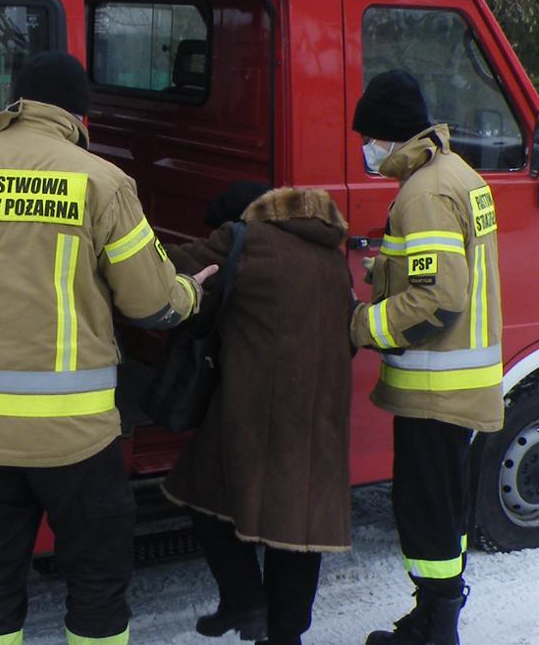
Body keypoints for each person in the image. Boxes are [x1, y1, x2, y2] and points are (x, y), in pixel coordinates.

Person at [0, 51, 215, 645]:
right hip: (76, 438)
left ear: (12, 105)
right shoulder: (102, 181)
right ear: (79, 115)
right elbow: (150, 304)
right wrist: (191, 293)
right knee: (96, 579)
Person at [162, 183, 357, 645]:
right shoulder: (333, 254)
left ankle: (244, 599)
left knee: (203, 495)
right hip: (321, 413)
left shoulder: (242, 240)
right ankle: (283, 633)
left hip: (255, 408)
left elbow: (166, 266)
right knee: (299, 526)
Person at [348, 71, 505, 645]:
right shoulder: (457, 175)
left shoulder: (422, 194)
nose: (366, 147)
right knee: (444, 504)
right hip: (461, 382)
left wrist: (364, 324)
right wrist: (386, 272)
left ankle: (435, 629)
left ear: (390, 134)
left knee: (426, 510)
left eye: (369, 136)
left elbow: (439, 298)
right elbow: (444, 271)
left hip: (436, 388)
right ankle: (435, 615)